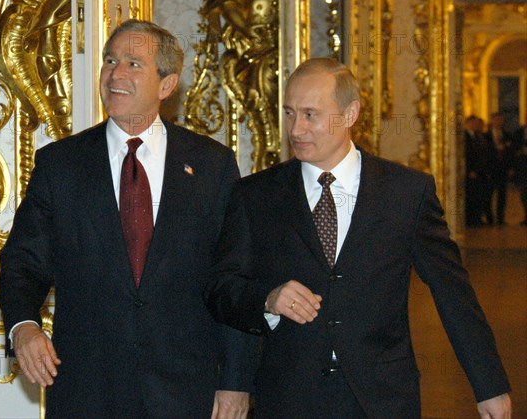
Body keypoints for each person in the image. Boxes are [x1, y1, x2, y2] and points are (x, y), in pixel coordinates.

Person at [204, 58, 511, 418]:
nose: (296, 129)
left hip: (381, 398)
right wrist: (268, 300)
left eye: (310, 114)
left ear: (350, 114)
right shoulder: (255, 196)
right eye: (289, 113)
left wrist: (489, 385)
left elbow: (453, 293)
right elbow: (221, 288)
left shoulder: (405, 193)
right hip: (289, 397)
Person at [0, 20, 256, 418]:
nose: (116, 74)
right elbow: (22, 263)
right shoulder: (60, 165)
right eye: (110, 60)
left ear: (167, 85)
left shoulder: (211, 166)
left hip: (188, 392)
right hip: (88, 391)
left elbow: (234, 278)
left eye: (134, 64)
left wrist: (236, 382)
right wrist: (24, 327)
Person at [485, 113, 514, 225]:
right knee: (489, 194)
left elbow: (511, 153)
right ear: (492, 121)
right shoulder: (486, 136)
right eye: (496, 120)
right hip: (491, 169)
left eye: (500, 120)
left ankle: (501, 218)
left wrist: (510, 168)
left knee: (502, 195)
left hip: (503, 169)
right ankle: (490, 218)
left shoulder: (507, 135)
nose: (498, 122)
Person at [464, 115, 489, 227]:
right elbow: (466, 155)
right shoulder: (464, 136)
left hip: (480, 172)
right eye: (473, 123)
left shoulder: (478, 136)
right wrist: (470, 170)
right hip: (471, 172)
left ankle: (477, 218)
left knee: (480, 196)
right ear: (468, 123)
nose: (476, 125)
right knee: (471, 197)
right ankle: (471, 219)